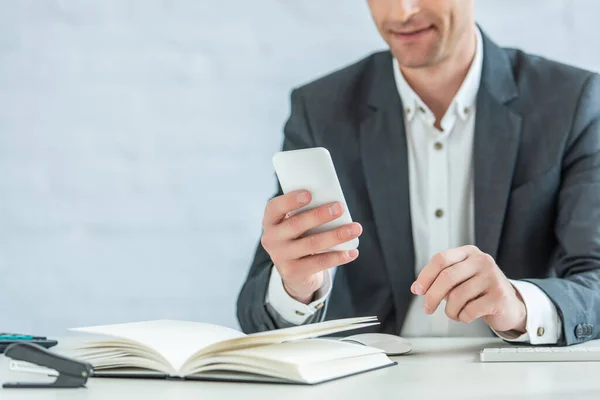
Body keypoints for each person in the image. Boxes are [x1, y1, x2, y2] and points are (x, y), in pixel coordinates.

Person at [237, 0, 600, 346]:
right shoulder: (319, 111)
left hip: (519, 377)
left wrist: (519, 305)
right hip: (372, 382)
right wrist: (297, 287)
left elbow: (594, 278)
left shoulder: (570, 102)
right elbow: (256, 317)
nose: (401, 12)